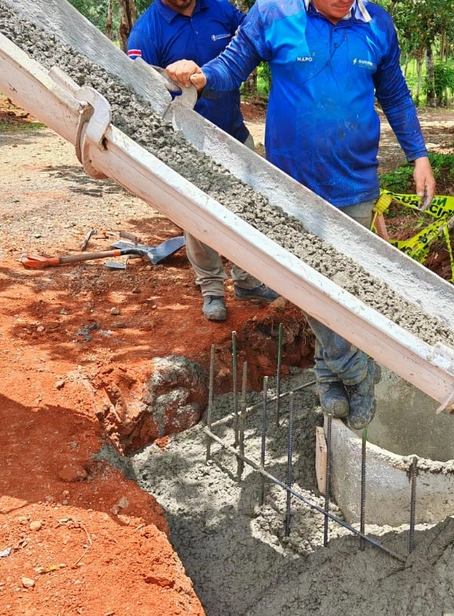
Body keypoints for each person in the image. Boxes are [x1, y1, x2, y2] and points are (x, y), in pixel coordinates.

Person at [165, 0, 436, 429]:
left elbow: (396, 94)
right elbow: (230, 68)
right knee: (312, 284)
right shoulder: (274, 13)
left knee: (345, 286)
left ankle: (330, 376)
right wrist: (198, 75)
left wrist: (418, 155)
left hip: (356, 184)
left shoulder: (377, 22)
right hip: (291, 187)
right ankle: (355, 372)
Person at [127, 0, 279, 323]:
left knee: (248, 210)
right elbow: (138, 96)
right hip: (188, 147)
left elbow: (251, 40)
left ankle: (247, 278)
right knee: (198, 219)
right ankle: (211, 288)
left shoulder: (221, 10)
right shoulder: (146, 32)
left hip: (234, 134)